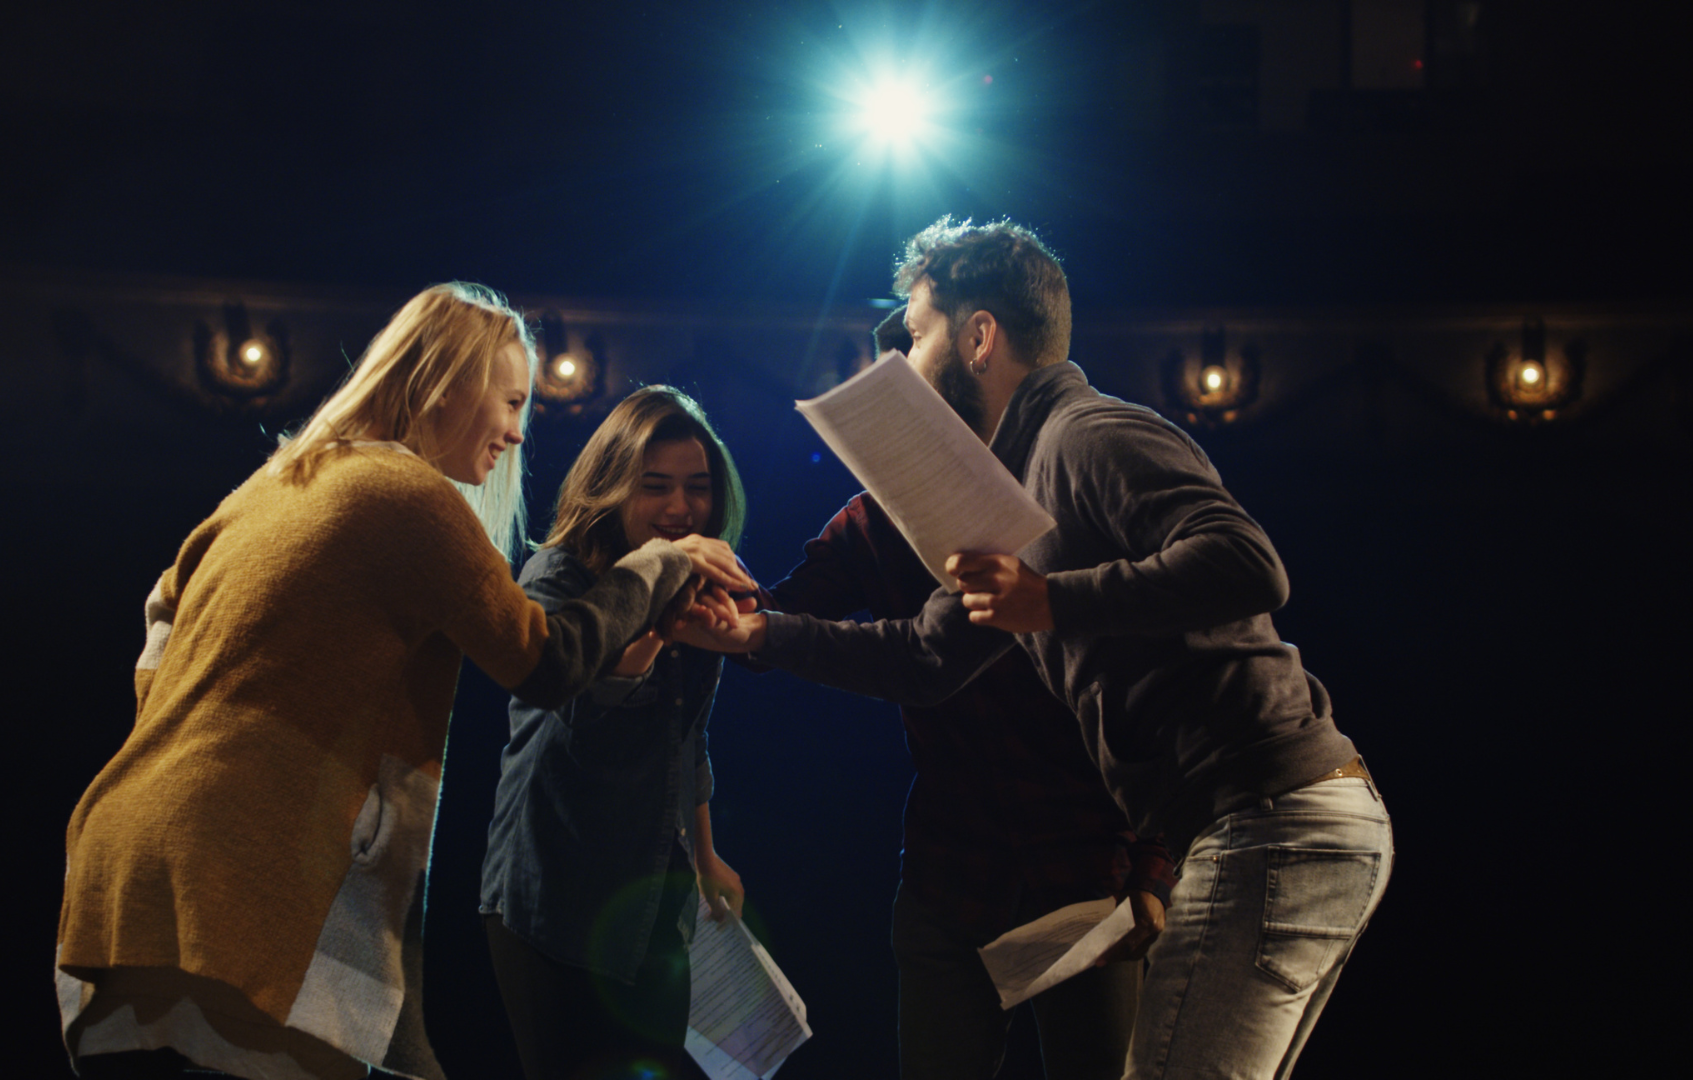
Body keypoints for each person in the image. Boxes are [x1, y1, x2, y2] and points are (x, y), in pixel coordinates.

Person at [678, 220, 1392, 1080]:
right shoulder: (1014, 490)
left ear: (979, 337)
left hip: (1272, 817)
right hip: (1268, 828)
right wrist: (756, 631)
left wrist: (1048, 600)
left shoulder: (1086, 433)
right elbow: (928, 660)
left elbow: (1248, 564)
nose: (904, 362)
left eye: (916, 333)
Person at [55, 283, 751, 1080]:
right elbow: (546, 661)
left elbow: (162, 612)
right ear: (452, 383)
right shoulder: (405, 490)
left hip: (128, 855)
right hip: (234, 875)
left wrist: (193, 743)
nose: (520, 431)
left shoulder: (276, 481)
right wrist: (661, 564)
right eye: (512, 401)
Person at [760, 305, 1168, 1080]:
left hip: (1086, 870)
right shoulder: (866, 524)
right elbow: (777, 622)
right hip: (952, 879)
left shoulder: (1059, 492)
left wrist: (1152, 877)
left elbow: (1157, 695)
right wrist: (688, 583)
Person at [480, 386, 750, 1080]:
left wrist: (706, 857)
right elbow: (575, 717)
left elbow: (687, 738)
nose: (679, 509)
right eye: (654, 487)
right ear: (611, 487)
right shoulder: (556, 575)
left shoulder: (695, 580)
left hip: (649, 893)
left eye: (696, 489)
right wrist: (654, 634)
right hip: (553, 893)